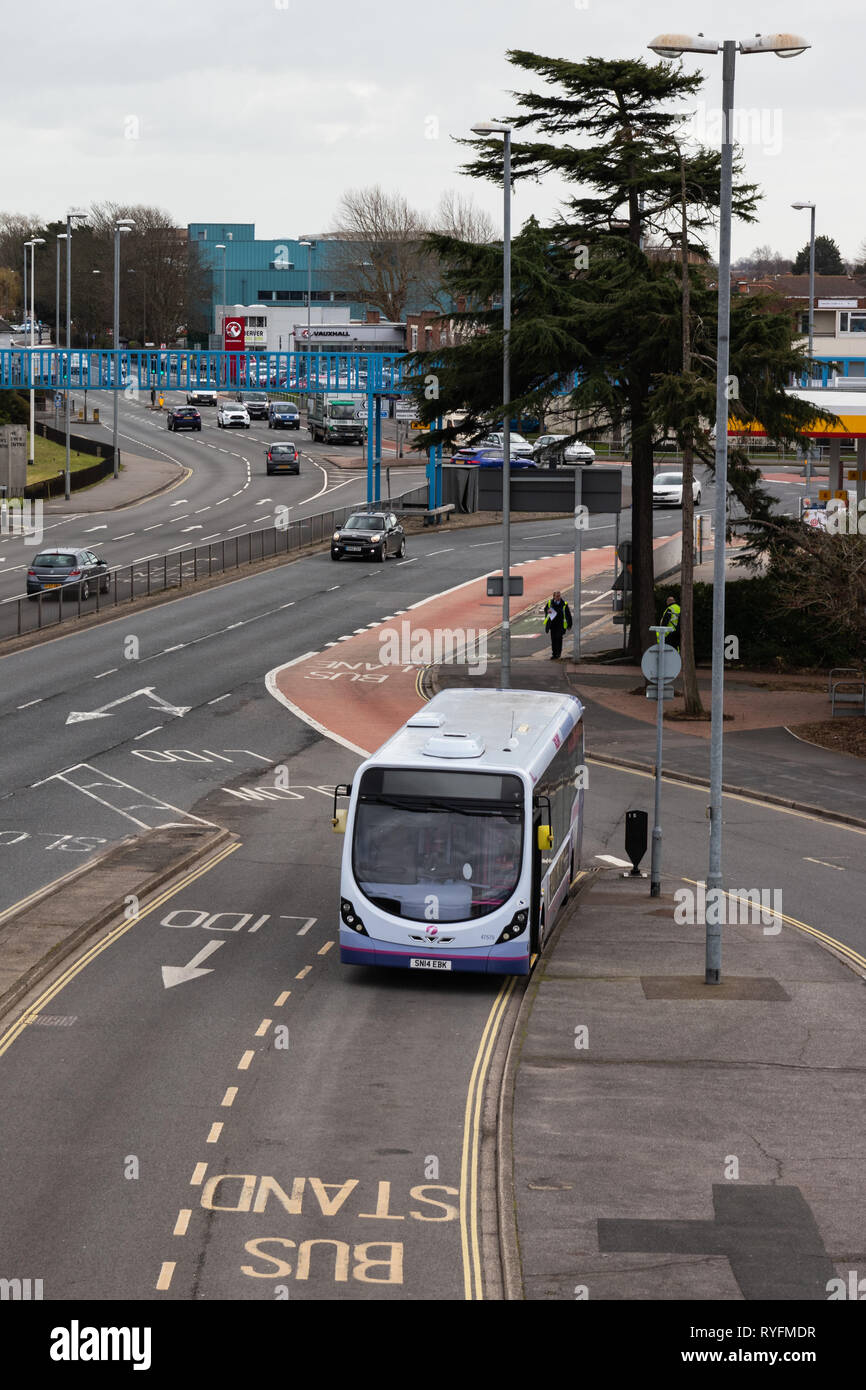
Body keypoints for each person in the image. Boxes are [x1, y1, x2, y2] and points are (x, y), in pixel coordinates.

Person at [543, 590, 573, 660]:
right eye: (557, 596)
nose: (558, 597)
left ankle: (558, 653)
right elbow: (545, 609)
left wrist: (569, 625)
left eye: (559, 596)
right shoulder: (550, 602)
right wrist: (547, 610)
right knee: (553, 639)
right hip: (553, 624)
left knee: (559, 638)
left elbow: (568, 615)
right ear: (554, 597)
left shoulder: (564, 604)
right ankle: (554, 654)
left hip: (560, 624)